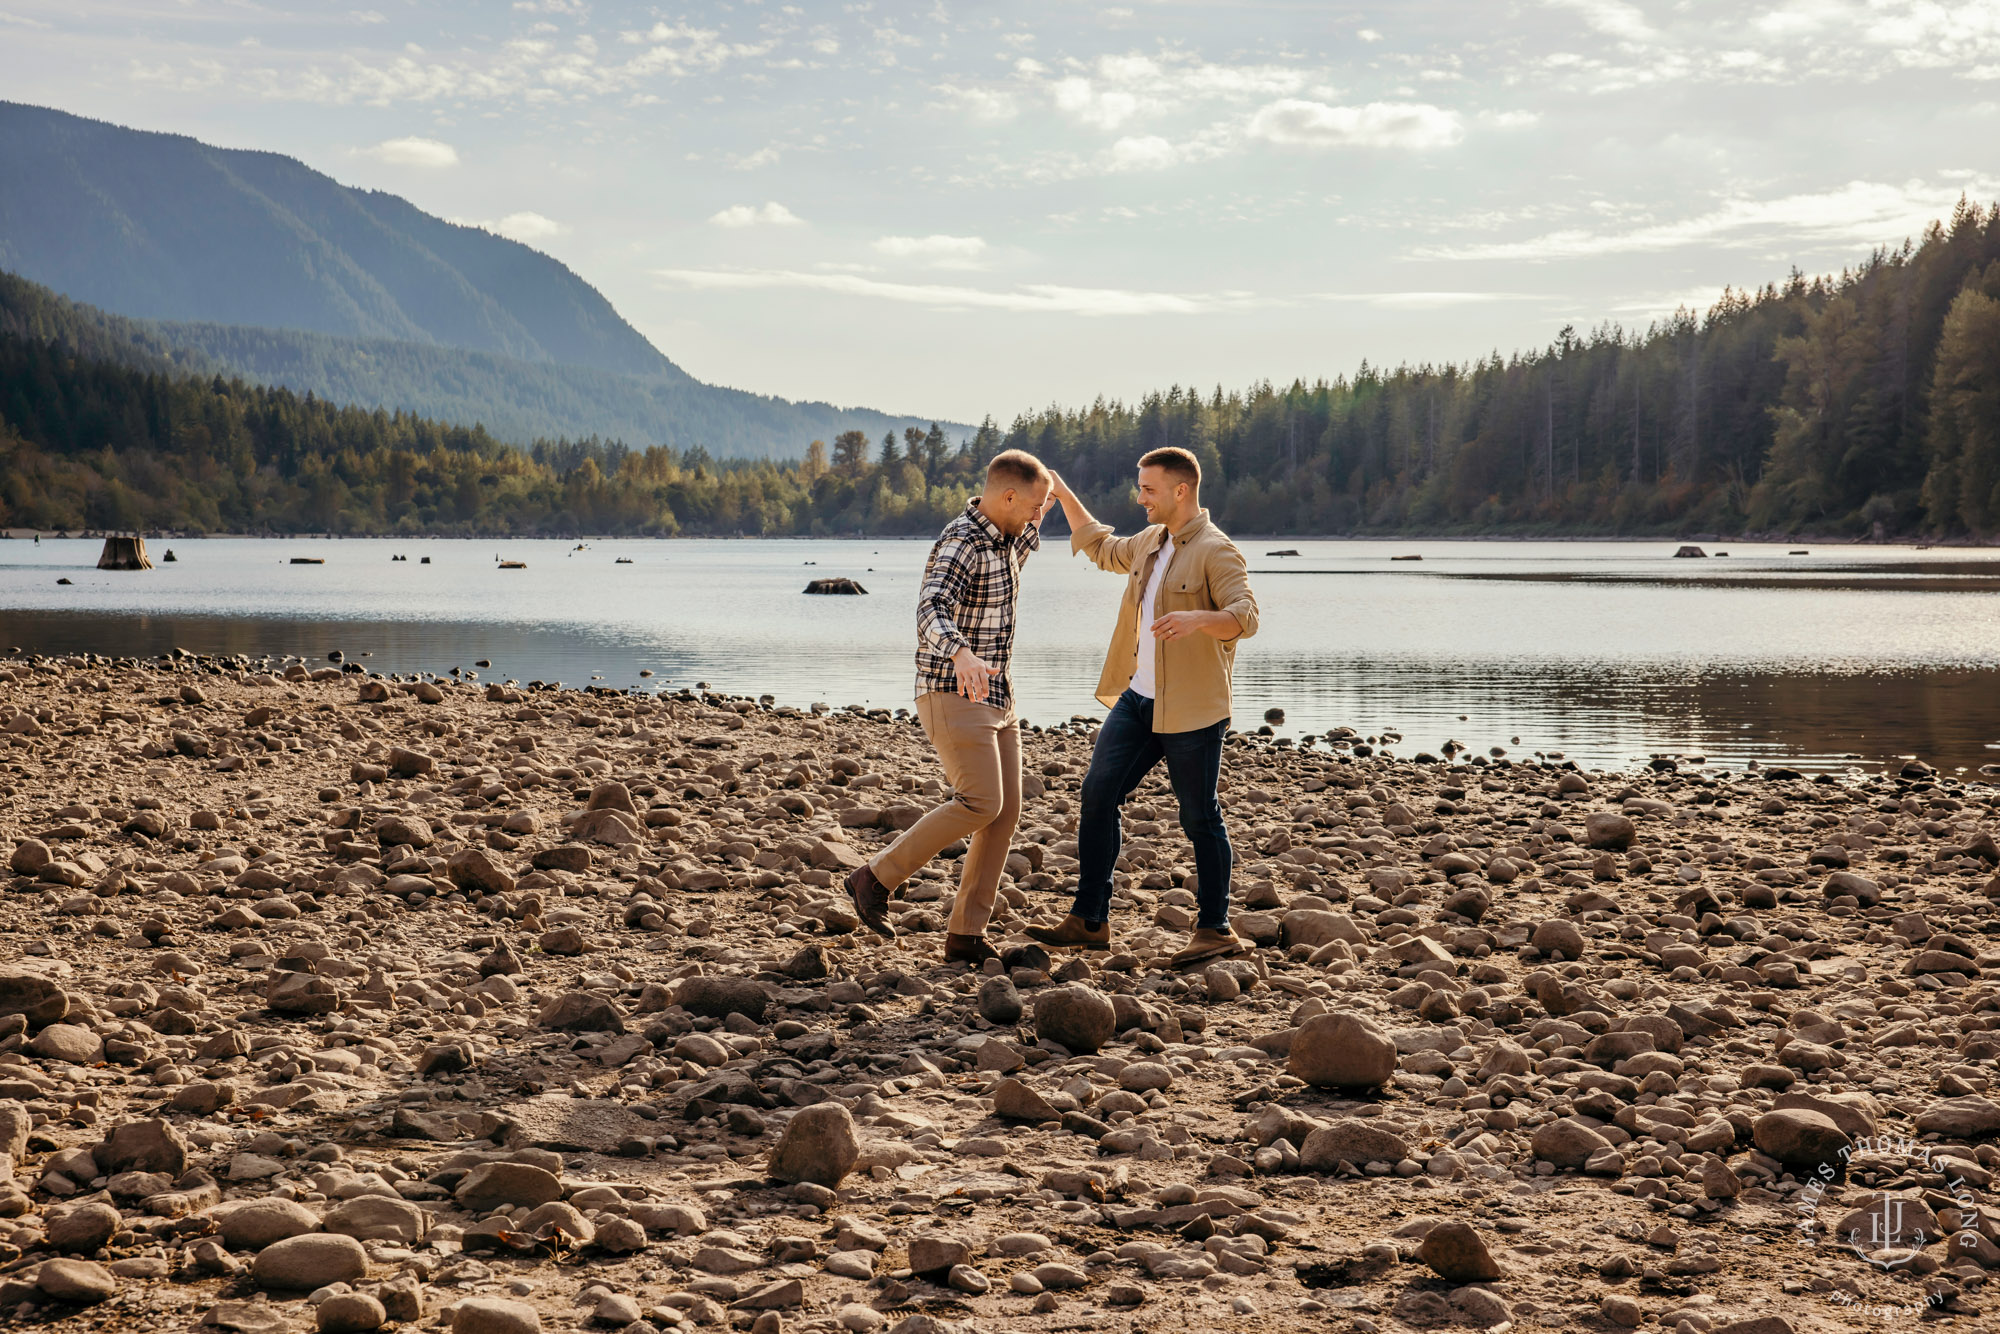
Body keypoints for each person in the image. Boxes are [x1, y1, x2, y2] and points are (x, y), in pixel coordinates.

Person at [1027, 447, 1259, 968]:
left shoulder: (1216, 551)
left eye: (1148, 489)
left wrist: (1200, 619)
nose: (1140, 498)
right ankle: (1090, 920)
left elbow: (1245, 614)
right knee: (1097, 793)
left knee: (1200, 816)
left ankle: (1215, 929)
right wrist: (1063, 493)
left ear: (1181, 490)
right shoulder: (1152, 541)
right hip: (1138, 700)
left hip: (1193, 709)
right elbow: (1101, 546)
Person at [846, 449, 1055, 965]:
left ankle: (965, 935)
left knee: (1004, 814)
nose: (1037, 516)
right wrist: (961, 652)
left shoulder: (1008, 536)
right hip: (950, 689)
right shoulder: (962, 540)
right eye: (1033, 505)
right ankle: (874, 878)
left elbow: (1036, 528)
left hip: (998, 696)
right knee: (980, 801)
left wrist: (1051, 492)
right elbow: (930, 607)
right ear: (1007, 497)